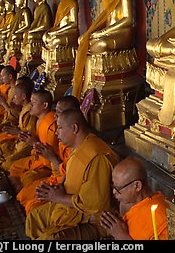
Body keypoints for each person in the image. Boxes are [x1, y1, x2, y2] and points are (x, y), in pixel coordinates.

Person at [25, 108, 118, 239]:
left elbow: (95, 205)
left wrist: (58, 197)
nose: (57, 133)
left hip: (93, 220)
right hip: (70, 206)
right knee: (34, 217)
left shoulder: (97, 157)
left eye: (60, 128)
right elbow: (71, 177)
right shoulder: (77, 147)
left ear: (74, 128)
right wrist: (58, 188)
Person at [71, 0, 137, 99]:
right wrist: (99, 32)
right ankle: (87, 83)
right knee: (82, 40)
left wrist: (104, 33)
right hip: (109, 32)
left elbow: (128, 20)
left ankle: (91, 83)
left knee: (99, 44)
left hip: (122, 34)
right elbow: (106, 19)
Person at [16, 95, 79, 214]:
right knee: (22, 196)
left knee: (31, 207)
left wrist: (51, 157)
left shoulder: (75, 142)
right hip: (54, 174)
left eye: (59, 113)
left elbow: (69, 177)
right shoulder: (62, 133)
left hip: (63, 185)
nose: (54, 115)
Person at [100, 156, 168, 240]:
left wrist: (122, 237)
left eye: (118, 188)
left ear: (137, 186)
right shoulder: (127, 203)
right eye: (113, 186)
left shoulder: (159, 216)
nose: (114, 192)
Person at [8, 89, 59, 192]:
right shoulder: (38, 120)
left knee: (27, 179)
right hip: (37, 158)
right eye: (30, 102)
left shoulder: (51, 125)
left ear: (44, 105)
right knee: (14, 167)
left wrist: (34, 143)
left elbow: (50, 156)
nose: (30, 105)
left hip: (48, 166)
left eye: (34, 103)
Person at [0, 79, 37, 170]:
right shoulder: (24, 108)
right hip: (19, 141)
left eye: (15, 95)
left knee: (8, 164)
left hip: (27, 146)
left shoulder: (30, 111)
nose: (13, 97)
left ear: (23, 96)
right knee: (1, 148)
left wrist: (18, 132)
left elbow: (31, 135)